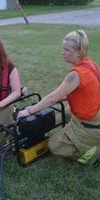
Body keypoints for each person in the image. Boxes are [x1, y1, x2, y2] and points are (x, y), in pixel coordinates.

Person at [17, 30, 100, 166]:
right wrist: (65, 97)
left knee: (54, 146)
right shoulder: (90, 64)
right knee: (64, 113)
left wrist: (29, 111)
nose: (62, 52)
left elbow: (53, 98)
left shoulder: (76, 74)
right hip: (93, 112)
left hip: (91, 123)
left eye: (66, 50)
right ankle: (74, 135)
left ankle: (91, 152)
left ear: (78, 52)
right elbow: (87, 90)